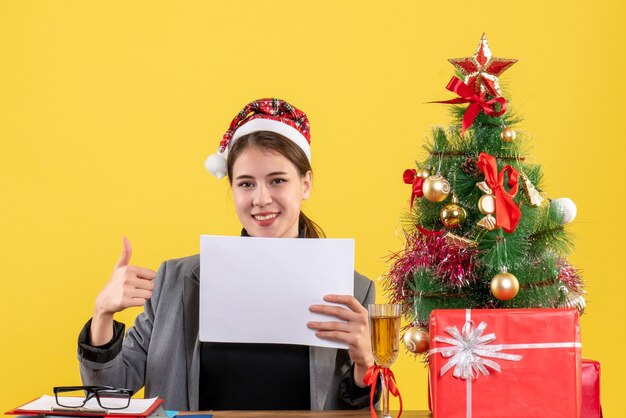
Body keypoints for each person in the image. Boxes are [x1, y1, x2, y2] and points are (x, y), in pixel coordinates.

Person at [77, 98, 379, 411]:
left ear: (305, 184)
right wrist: (103, 313)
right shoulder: (174, 281)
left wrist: (365, 364)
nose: (261, 199)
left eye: (277, 181)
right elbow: (111, 394)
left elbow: (359, 409)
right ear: (232, 190)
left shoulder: (352, 291)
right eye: (246, 183)